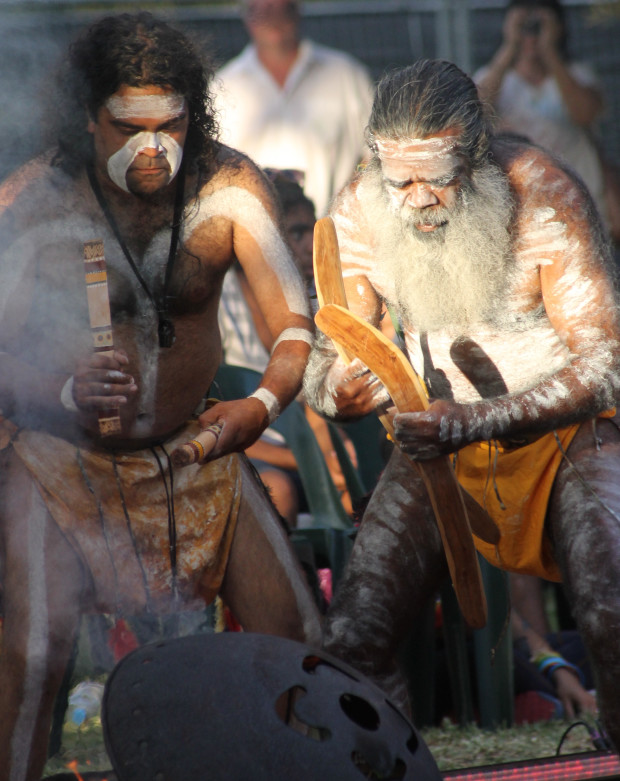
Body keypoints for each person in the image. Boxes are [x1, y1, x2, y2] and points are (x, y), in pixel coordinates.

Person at [0, 13, 322, 781]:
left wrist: (261, 408)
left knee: (298, 634)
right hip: (61, 458)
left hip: (196, 452)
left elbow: (294, 330)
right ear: (88, 119)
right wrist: (65, 385)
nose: (154, 147)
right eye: (129, 127)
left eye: (170, 123)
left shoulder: (229, 186)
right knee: (37, 650)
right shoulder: (33, 202)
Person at [302, 59, 620, 750]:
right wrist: (338, 391)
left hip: (565, 438)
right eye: (400, 181)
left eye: (434, 178)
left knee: (609, 603)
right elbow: (329, 357)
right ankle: (391, 765)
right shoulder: (359, 208)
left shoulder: (542, 192)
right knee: (356, 636)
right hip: (436, 449)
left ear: (475, 156)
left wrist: (476, 419)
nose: (416, 199)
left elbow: (606, 363)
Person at [218, 170, 356, 525]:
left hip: (317, 453)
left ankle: (334, 578)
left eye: (313, 230)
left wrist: (333, 456)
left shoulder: (320, 298)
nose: (310, 245)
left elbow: (323, 407)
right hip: (246, 451)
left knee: (360, 488)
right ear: (264, 242)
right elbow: (213, 414)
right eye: (296, 233)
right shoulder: (223, 303)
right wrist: (308, 459)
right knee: (277, 489)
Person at [211, 0, 374, 217]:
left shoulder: (346, 75)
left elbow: (375, 157)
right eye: (261, 11)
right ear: (246, 16)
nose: (272, 20)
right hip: (251, 241)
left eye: (281, 9)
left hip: (335, 239)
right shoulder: (223, 86)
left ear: (297, 10)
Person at [474, 0, 610, 232]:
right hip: (518, 202)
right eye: (523, 26)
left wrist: (550, 53)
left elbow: (585, 114)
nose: (531, 35)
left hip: (577, 199)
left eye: (538, 26)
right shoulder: (493, 76)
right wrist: (510, 46)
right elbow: (475, 112)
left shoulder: (578, 75)